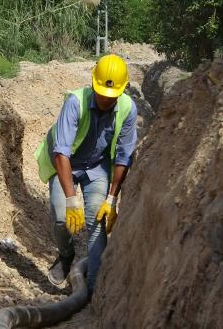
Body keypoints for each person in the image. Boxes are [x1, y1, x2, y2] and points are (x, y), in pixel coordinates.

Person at [34, 54, 138, 296]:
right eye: (102, 92)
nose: (105, 99)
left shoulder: (127, 109)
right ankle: (66, 256)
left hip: (97, 167)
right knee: (61, 218)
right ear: (93, 83)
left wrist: (111, 199)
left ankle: (93, 288)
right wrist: (71, 199)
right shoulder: (75, 102)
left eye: (111, 96)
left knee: (97, 221)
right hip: (66, 164)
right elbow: (61, 152)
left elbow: (124, 156)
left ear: (121, 91)